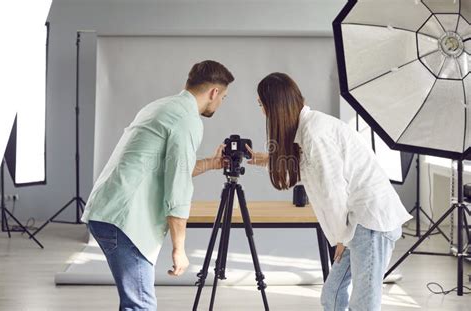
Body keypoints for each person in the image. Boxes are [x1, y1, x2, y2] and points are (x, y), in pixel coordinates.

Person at [246, 72, 412, 311]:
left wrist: (340, 239)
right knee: (331, 295)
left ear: (275, 105)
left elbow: (332, 193)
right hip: (356, 224)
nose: (261, 111)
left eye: (261, 104)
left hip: (371, 222)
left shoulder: (315, 133)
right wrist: (264, 160)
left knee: (363, 304)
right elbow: (308, 170)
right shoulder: (308, 129)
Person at [81, 60, 234, 310]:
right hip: (125, 220)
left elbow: (166, 168)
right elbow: (178, 188)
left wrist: (211, 163)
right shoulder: (188, 120)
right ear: (214, 92)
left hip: (108, 211)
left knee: (135, 303)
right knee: (140, 305)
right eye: (224, 97)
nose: (220, 103)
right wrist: (179, 248)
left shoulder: (161, 107)